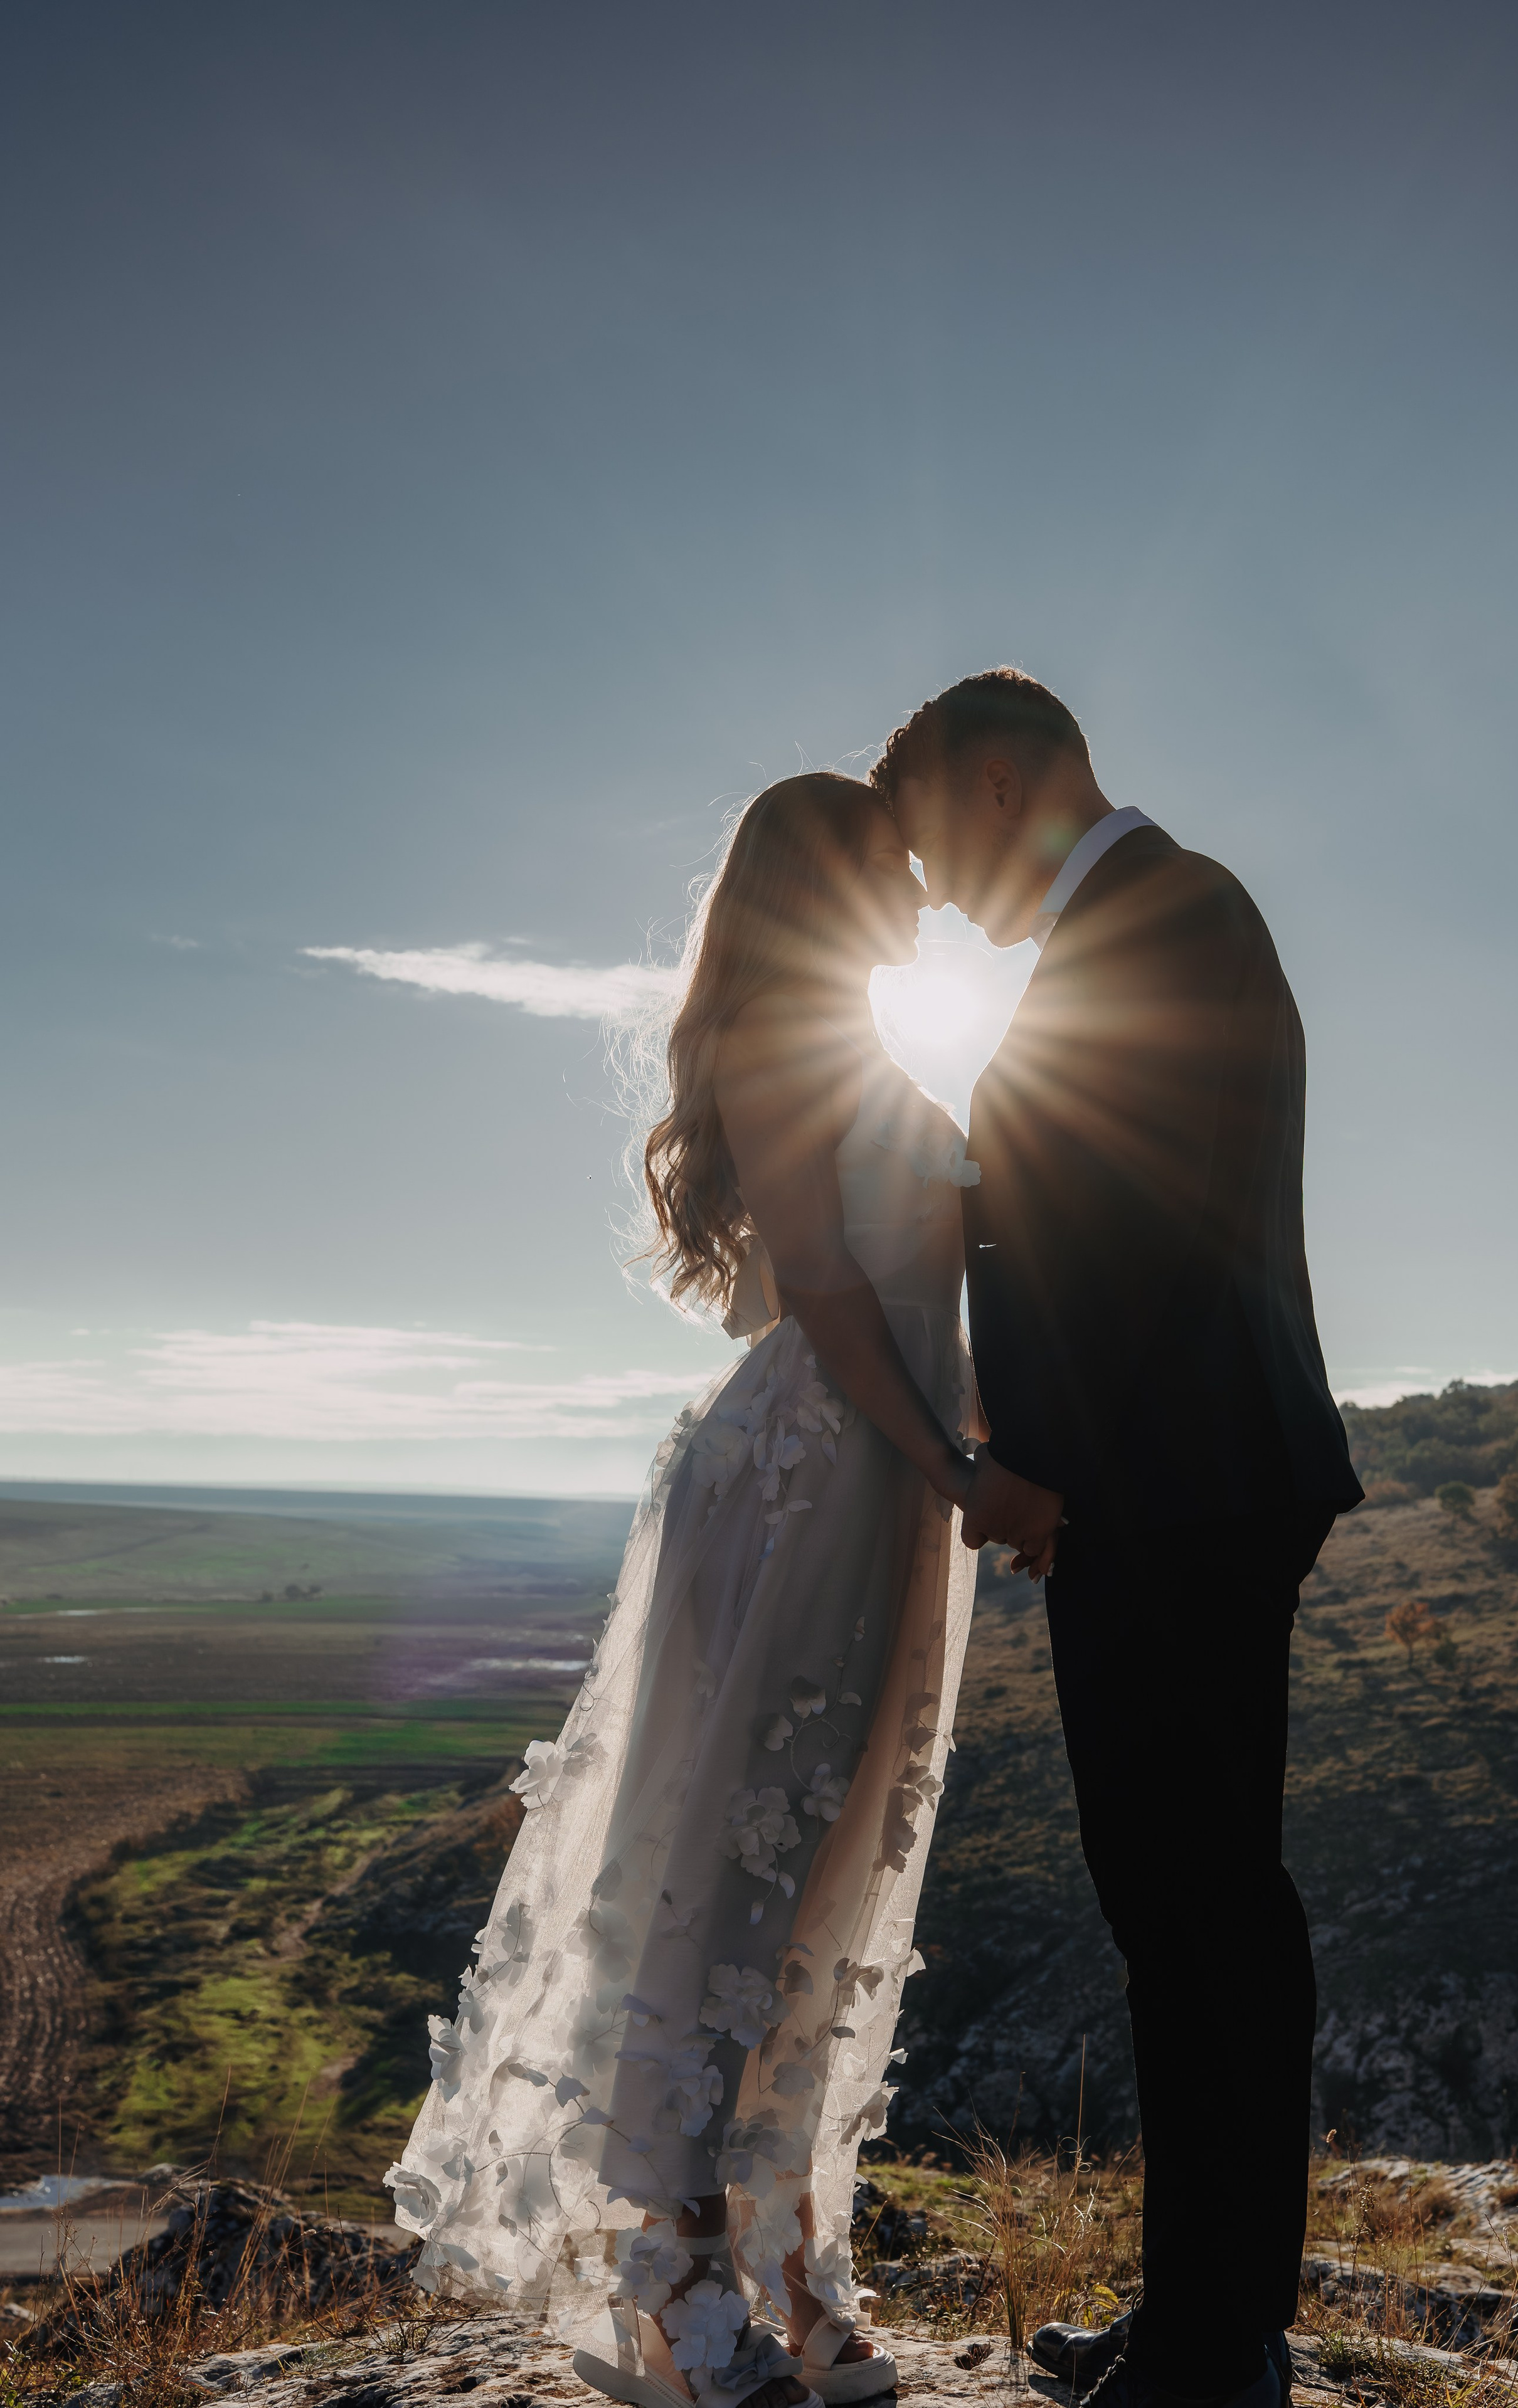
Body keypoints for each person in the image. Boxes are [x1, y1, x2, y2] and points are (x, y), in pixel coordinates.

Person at [386, 773, 984, 2408]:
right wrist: (957, 1465)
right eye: (892, 866)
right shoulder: (787, 1034)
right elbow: (830, 1290)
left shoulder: (881, 1051)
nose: (924, 896)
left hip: (889, 1493)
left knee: (831, 1885)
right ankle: (677, 2274)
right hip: (810, 1477)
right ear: (821, 880)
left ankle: (788, 2254)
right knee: (731, 1874)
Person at [873, 671, 1363, 2408]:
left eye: (932, 839)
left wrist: (1039, 1465)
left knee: (1200, 1913)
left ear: (1000, 783)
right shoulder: (1159, 920)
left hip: (1177, 1488)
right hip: (1191, 1480)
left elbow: (1145, 1234)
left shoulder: (1166, 920)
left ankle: (1215, 2346)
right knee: (1196, 1912)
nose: (930, 890)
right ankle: (1207, 2321)